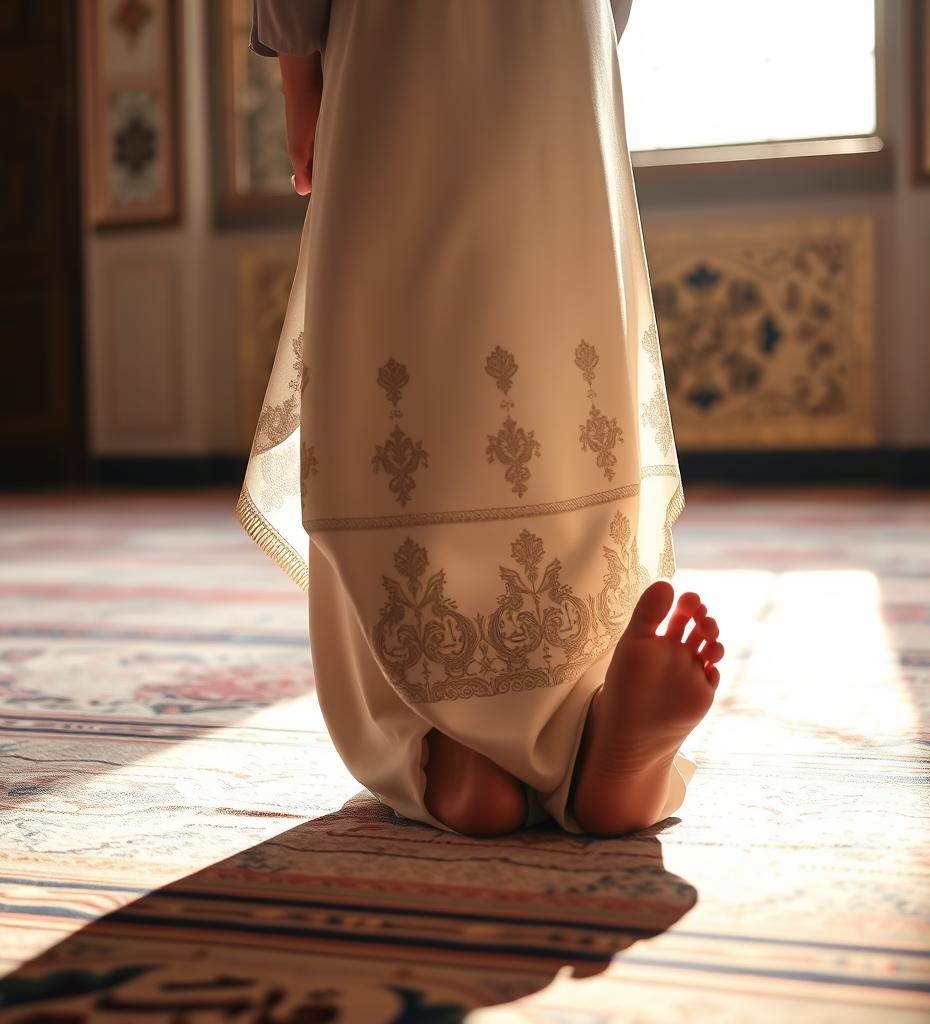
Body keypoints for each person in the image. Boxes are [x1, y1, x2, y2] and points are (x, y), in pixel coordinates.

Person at [240, 0, 725, 838]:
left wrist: (297, 75)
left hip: (397, 35)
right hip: (553, 35)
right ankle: (580, 730)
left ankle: (437, 746)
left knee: (408, 351)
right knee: (558, 350)